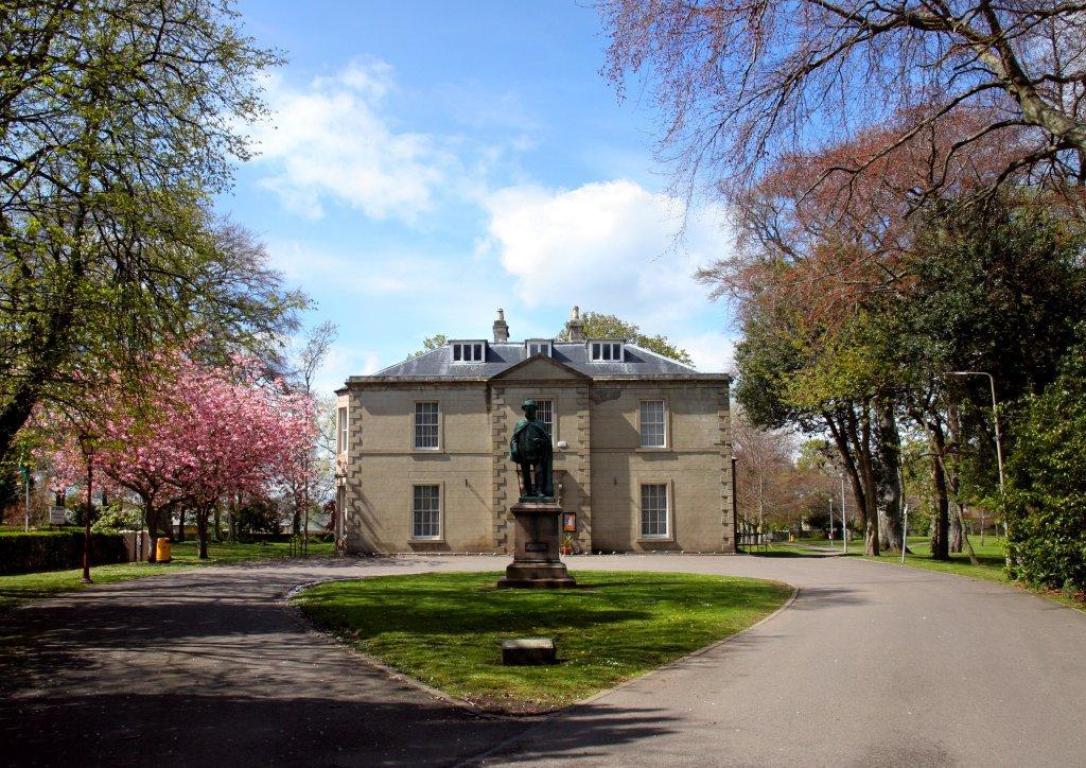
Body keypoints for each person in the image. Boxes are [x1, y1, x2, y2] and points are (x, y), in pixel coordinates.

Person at [510, 399, 553, 498]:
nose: (529, 411)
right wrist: (515, 449)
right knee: (525, 475)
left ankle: (539, 491)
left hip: (538, 453)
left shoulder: (540, 424)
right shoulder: (519, 423)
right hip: (524, 453)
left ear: (535, 410)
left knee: (539, 473)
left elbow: (547, 439)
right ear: (524, 410)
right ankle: (528, 492)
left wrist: (540, 441)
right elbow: (514, 439)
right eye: (527, 409)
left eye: (531, 409)